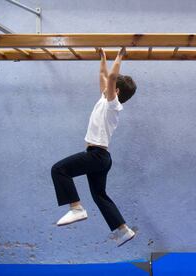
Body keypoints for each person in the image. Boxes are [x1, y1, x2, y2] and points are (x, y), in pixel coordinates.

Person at [51, 47, 137, 247]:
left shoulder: (113, 104)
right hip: (101, 158)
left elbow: (112, 76)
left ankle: (76, 208)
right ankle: (124, 230)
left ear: (116, 91)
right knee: (99, 195)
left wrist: (120, 56)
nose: (107, 83)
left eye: (112, 84)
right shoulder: (104, 100)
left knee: (59, 170)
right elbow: (104, 74)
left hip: (96, 156)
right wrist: (103, 58)